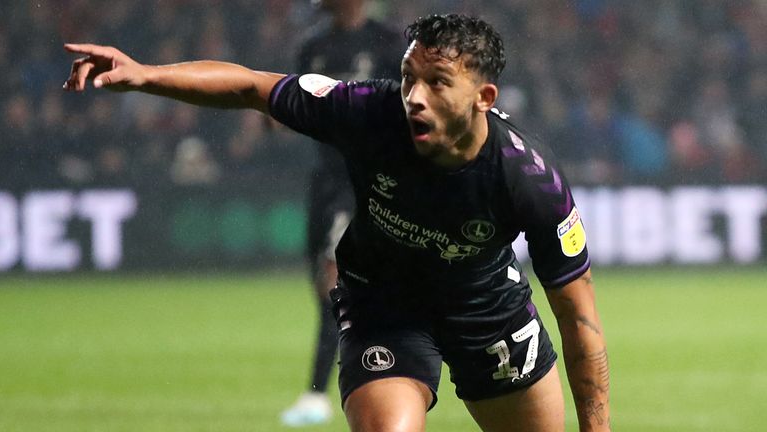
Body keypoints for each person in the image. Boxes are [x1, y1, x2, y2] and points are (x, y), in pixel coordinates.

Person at [63, 13, 611, 431]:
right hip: (385, 308)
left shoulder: (530, 181)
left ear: (484, 98)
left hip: (487, 312)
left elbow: (579, 315)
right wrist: (143, 76)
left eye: (438, 82)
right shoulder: (368, 111)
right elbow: (252, 87)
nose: (415, 98)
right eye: (408, 77)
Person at [281, 0, 402, 426]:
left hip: (365, 180)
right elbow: (289, 109)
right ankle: (377, 374)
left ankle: (319, 394)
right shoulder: (313, 45)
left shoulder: (388, 43)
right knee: (327, 290)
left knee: (334, 283)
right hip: (326, 182)